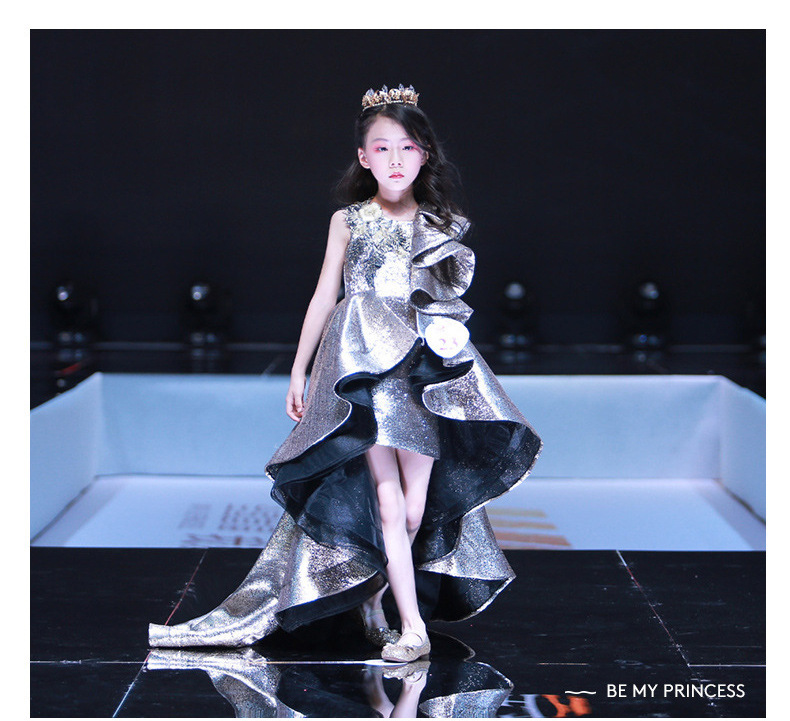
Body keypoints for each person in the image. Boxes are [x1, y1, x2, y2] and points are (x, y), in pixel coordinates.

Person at [149, 84, 542, 663]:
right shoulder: (349, 220)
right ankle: (413, 630)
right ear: (363, 158)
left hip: (421, 374)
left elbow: (446, 304)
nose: (395, 160)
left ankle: (373, 601)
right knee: (388, 502)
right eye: (382, 148)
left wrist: (449, 353)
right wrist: (300, 369)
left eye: (407, 148)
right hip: (363, 372)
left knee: (415, 510)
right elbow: (323, 295)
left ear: (425, 155)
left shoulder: (442, 224)